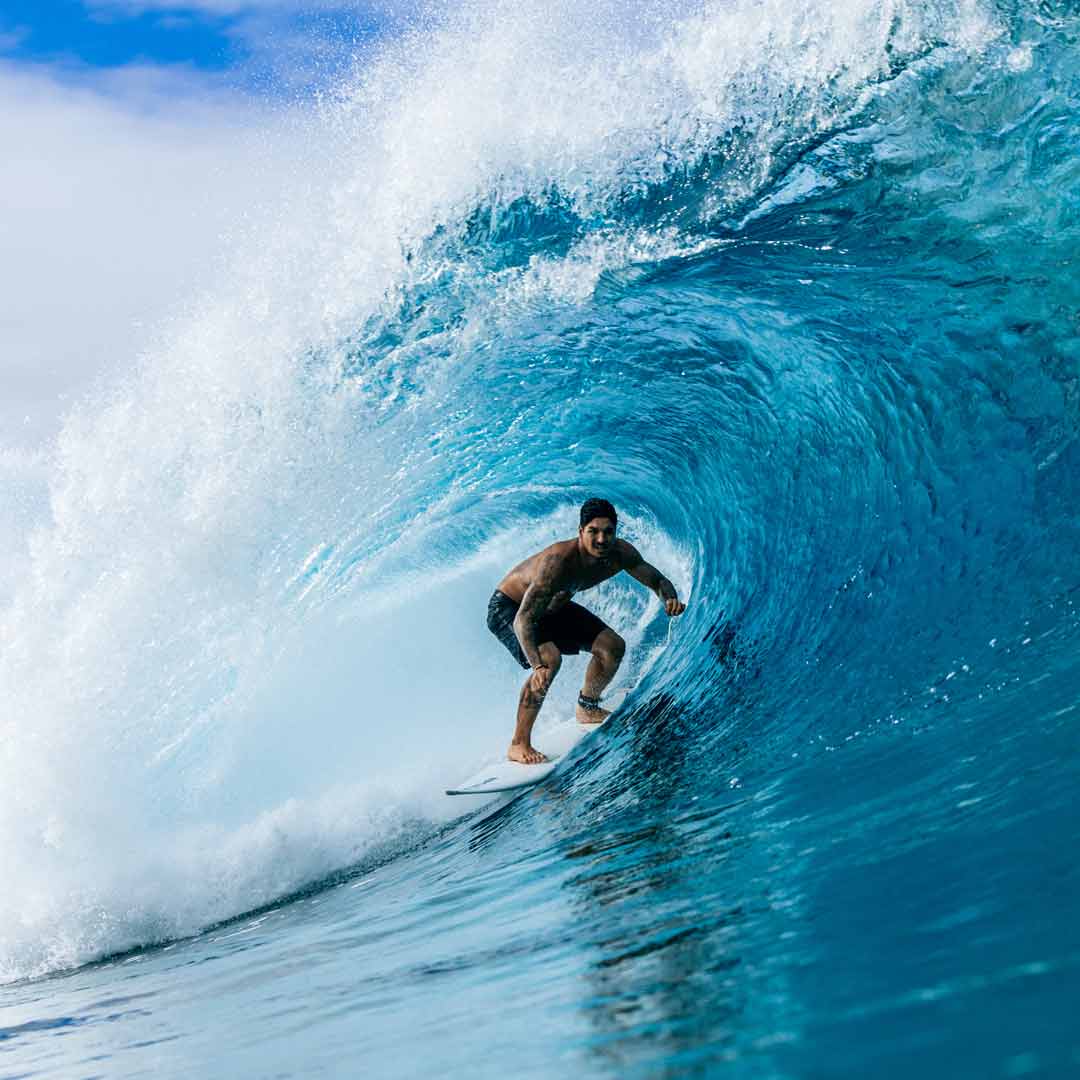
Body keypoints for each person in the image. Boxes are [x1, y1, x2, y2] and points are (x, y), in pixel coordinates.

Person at [486, 498, 686, 764]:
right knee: (549, 660)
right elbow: (523, 620)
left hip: (553, 607)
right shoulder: (558, 562)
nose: (602, 539)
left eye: (608, 531)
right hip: (510, 609)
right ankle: (518, 744)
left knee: (612, 647)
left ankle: (587, 706)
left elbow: (657, 580)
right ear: (581, 532)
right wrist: (537, 666)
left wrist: (668, 598)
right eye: (594, 531)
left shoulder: (620, 554)